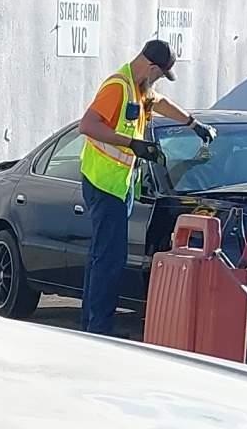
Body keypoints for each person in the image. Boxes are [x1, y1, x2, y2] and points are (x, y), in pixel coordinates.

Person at [75, 39, 211, 337]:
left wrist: (192, 123)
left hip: (119, 186)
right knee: (109, 260)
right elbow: (87, 125)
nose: (159, 80)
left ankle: (91, 327)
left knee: (103, 257)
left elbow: (159, 103)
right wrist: (133, 144)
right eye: (160, 74)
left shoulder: (140, 88)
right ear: (150, 67)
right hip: (103, 183)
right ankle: (99, 330)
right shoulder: (118, 87)